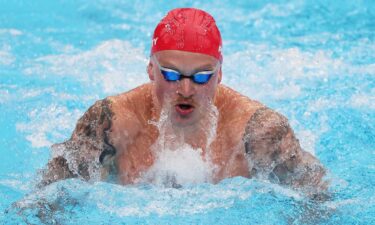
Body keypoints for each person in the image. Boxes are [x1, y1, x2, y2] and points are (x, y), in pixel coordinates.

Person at [41, 8, 327, 197]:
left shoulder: (258, 132)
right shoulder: (112, 123)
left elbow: (320, 197)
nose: (186, 89)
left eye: (202, 76)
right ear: (151, 70)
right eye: (170, 74)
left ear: (220, 74)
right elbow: (48, 195)